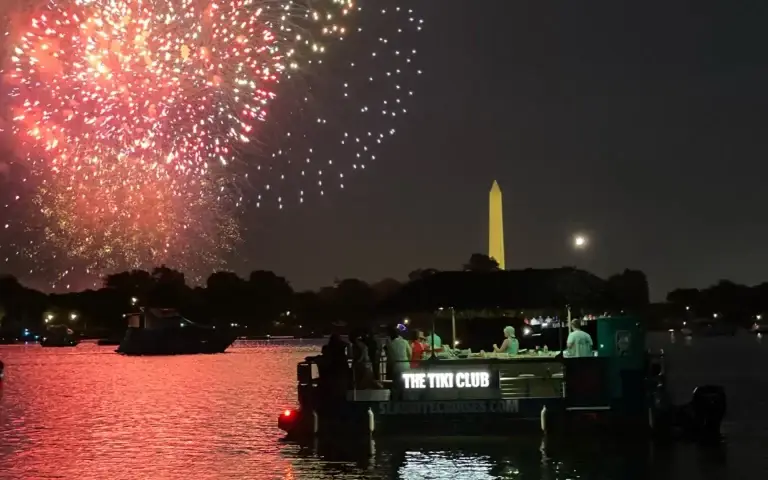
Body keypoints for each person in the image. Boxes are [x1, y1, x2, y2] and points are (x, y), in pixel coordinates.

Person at [385, 326, 411, 399]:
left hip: (396, 366)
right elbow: (410, 353)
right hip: (406, 365)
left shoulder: (390, 345)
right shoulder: (405, 342)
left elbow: (390, 358)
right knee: (405, 385)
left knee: (396, 386)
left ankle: (395, 402)